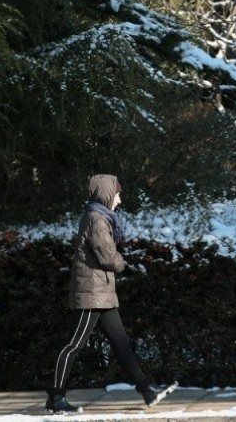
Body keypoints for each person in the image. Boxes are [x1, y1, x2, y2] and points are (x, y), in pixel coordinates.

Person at [45, 174, 176, 413]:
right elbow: (107, 256)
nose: (119, 199)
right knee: (73, 345)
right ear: (107, 194)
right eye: (117, 194)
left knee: (121, 344)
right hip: (91, 293)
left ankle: (147, 390)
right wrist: (121, 262)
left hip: (101, 293)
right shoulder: (96, 219)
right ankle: (55, 398)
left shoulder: (99, 216)